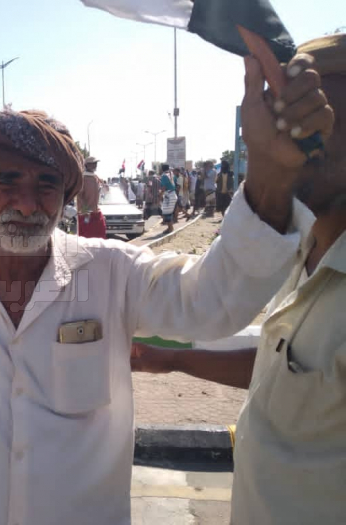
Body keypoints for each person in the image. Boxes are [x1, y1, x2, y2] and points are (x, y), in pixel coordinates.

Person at [0, 56, 330, 524]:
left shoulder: (112, 271)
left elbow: (213, 303)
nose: (27, 203)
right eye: (7, 180)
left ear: (66, 194)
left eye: (46, 184)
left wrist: (269, 178)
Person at [131, 41, 341, 524]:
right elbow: (287, 368)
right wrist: (175, 360)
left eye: (316, 117)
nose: (294, 141)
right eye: (285, 118)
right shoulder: (305, 248)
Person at [76, 156, 106, 238]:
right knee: (86, 237)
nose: (95, 165)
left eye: (95, 163)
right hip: (86, 214)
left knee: (100, 235)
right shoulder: (83, 178)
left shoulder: (95, 177)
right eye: (93, 163)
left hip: (95, 212)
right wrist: (86, 211)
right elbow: (79, 197)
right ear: (87, 165)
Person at [159, 164, 177, 233]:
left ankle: (170, 228)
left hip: (169, 196)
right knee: (168, 212)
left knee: (166, 213)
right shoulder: (171, 174)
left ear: (162, 169)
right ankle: (170, 227)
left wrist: (160, 196)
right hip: (172, 194)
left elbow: (163, 188)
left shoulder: (164, 176)